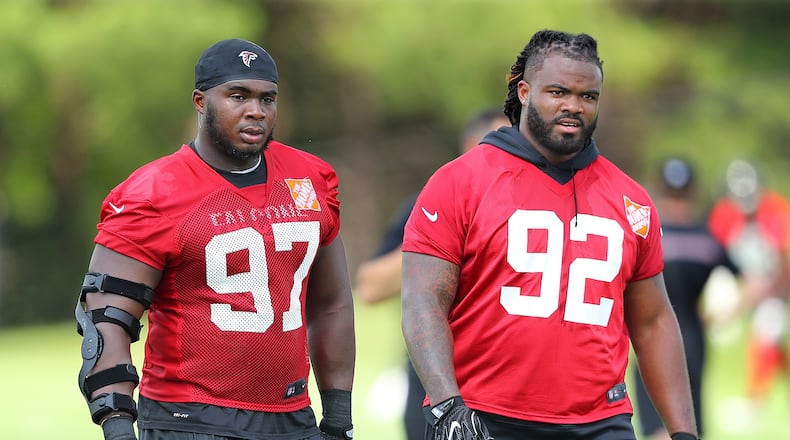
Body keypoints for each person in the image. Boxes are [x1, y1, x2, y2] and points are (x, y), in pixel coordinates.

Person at [400, 29, 699, 440]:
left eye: (587, 97)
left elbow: (652, 322)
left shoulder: (631, 199)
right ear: (523, 91)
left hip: (599, 421)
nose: (573, 107)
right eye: (558, 92)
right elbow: (423, 301)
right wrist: (447, 403)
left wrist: (683, 433)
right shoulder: (461, 182)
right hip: (484, 416)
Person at [74, 38, 355, 440]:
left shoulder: (310, 178)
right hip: (190, 420)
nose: (255, 111)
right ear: (201, 102)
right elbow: (106, 320)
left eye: (267, 98)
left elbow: (331, 304)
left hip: (293, 417)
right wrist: (118, 426)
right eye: (237, 96)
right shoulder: (153, 192)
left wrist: (338, 419)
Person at [353, 108, 509, 440]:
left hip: (513, 391)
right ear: (471, 145)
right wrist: (441, 238)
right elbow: (370, 287)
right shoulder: (430, 202)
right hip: (437, 386)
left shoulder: (533, 207)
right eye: (502, 142)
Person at [632, 158, 738, 440]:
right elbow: (749, 278)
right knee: (687, 427)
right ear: (692, 191)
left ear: (660, 189)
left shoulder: (648, 235)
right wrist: (727, 311)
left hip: (653, 337)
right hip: (693, 335)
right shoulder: (706, 239)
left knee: (657, 427)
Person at [708, 159, 790, 409]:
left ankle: (755, 399)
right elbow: (713, 254)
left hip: (776, 284)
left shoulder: (776, 210)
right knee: (769, 339)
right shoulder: (724, 212)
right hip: (743, 280)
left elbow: (781, 262)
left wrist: (755, 293)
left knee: (765, 332)